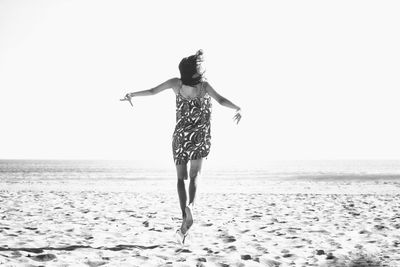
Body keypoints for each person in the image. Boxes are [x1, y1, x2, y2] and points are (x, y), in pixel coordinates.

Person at [121, 50, 241, 243]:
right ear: (196, 72)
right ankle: (191, 206)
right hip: (199, 136)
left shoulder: (176, 84)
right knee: (195, 175)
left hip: (180, 137)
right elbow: (220, 100)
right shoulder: (204, 87)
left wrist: (131, 94)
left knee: (180, 179)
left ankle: (184, 220)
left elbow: (152, 91)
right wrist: (237, 107)